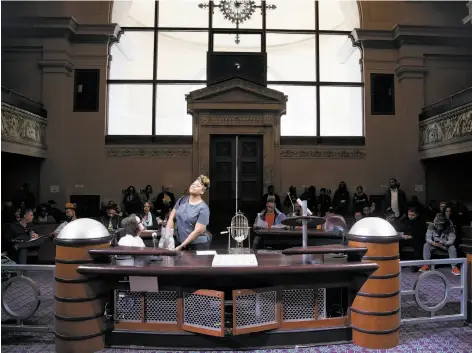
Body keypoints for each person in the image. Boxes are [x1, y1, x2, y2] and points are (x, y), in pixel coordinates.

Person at [165, 175, 211, 251]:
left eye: (197, 186)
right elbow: (171, 218)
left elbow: (198, 231)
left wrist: (182, 246)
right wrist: (167, 237)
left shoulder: (204, 208)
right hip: (180, 242)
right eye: (193, 184)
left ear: (202, 191)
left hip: (198, 245)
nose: (193, 186)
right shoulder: (181, 200)